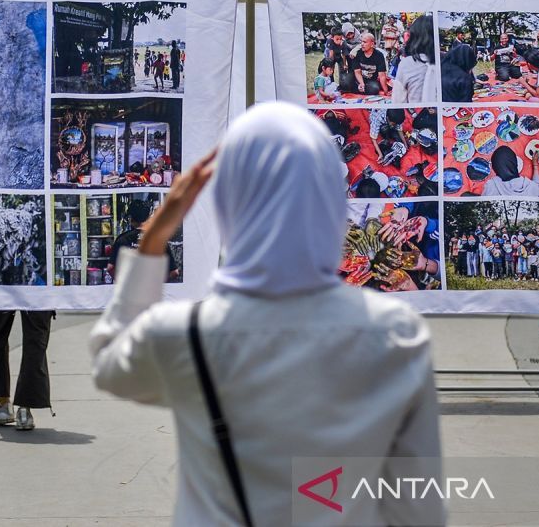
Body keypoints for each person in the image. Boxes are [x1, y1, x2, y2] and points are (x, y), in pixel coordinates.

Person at [89, 103, 443, 526]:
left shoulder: (185, 334)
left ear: (227, 204)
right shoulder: (394, 335)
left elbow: (110, 360)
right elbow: (418, 510)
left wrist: (152, 241)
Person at [0, 310, 54, 431]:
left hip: (3, 290)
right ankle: (24, 412)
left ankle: (3, 406)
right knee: (36, 339)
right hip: (37, 291)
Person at [107, 199, 179, 281]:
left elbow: (110, 268)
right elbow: (174, 272)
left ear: (131, 218)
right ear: (149, 217)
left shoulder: (122, 239)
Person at [392, 15, 437, 103]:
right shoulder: (446, 61)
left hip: (417, 115)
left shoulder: (406, 63)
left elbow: (398, 102)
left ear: (414, 36)